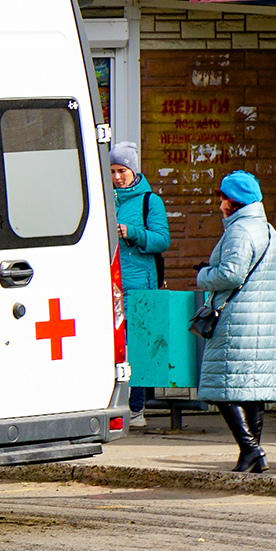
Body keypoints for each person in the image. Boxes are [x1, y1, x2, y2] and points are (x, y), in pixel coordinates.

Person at [195, 169, 276, 474]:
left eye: (223, 198)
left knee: (223, 387)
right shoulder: (268, 230)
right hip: (264, 322)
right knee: (252, 389)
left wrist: (204, 274)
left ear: (235, 200)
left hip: (237, 322)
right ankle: (252, 456)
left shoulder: (240, 231)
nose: (220, 204)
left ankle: (250, 449)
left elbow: (231, 274)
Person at [110, 142, 170, 426]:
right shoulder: (103, 198)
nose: (117, 177)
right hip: (113, 286)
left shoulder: (150, 201)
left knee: (139, 347)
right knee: (117, 346)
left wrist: (133, 232)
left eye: (122, 170)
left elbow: (162, 240)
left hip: (140, 287)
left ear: (133, 170)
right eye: (112, 171)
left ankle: (137, 409)